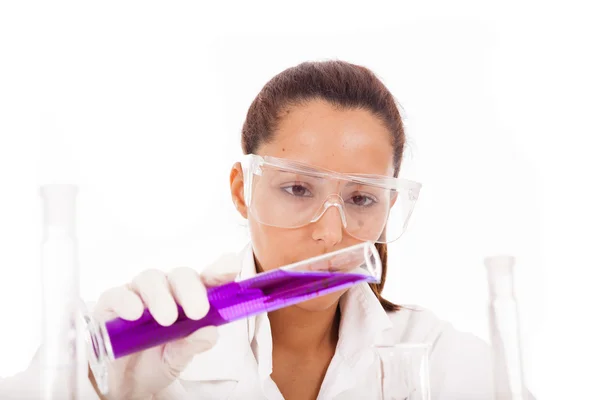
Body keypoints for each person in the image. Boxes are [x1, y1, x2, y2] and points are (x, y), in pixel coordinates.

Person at [0, 60, 535, 400]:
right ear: (242, 190)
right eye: (297, 189)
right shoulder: (157, 347)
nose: (331, 234)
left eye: (362, 199)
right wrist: (93, 386)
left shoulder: (443, 361)